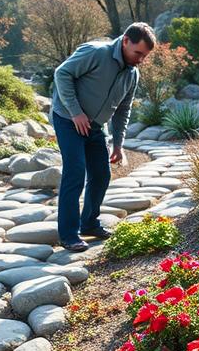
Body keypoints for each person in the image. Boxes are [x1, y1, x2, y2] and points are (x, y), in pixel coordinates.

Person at [50, 22, 156, 251]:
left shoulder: (132, 74)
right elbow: (62, 73)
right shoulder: (97, 52)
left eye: (145, 56)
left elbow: (123, 110)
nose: (140, 60)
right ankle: (68, 235)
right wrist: (75, 112)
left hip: (95, 127)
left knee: (101, 174)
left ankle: (88, 223)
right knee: (75, 171)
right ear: (125, 40)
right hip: (68, 120)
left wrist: (118, 144)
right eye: (138, 53)